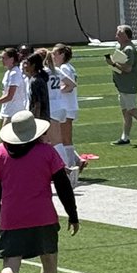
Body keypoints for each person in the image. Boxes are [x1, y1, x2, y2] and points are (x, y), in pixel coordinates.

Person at [0, 110, 79, 273]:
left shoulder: (0, 152)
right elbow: (63, 186)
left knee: (11, 263)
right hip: (43, 215)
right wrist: (72, 215)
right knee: (49, 261)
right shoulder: (47, 152)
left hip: (12, 217)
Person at [50, 43, 83, 186]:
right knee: (64, 139)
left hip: (67, 106)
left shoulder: (63, 68)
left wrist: (56, 91)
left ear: (62, 55)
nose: (53, 56)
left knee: (65, 139)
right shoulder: (69, 67)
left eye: (55, 53)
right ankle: (76, 161)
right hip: (70, 106)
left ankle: (70, 168)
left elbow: (69, 87)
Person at [0, 47, 28, 126]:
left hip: (14, 110)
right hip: (6, 109)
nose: (2, 60)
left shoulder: (14, 74)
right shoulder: (8, 73)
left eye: (4, 58)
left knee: (6, 133)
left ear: (12, 59)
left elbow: (9, 96)